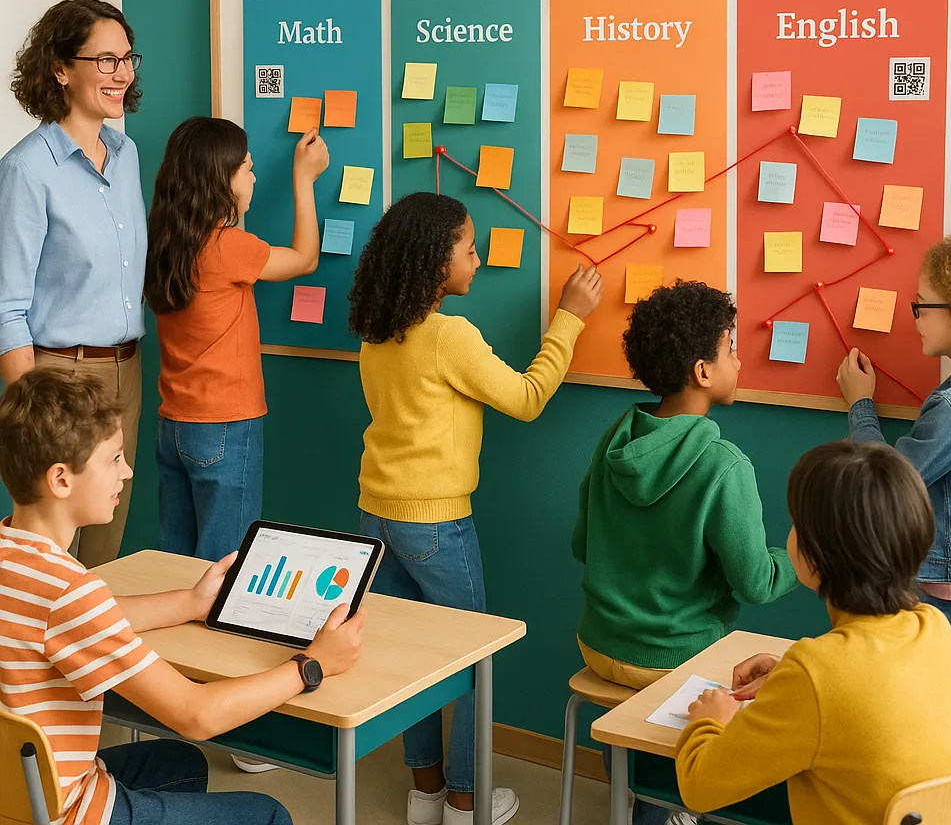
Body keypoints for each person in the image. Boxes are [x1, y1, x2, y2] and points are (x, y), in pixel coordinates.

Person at [0, 366, 366, 825]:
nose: (128, 471)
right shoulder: (71, 593)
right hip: (68, 812)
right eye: (113, 459)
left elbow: (86, 619)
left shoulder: (17, 560)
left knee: (179, 765)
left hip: (13, 794)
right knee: (267, 814)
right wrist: (312, 665)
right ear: (61, 480)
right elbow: (197, 715)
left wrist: (191, 602)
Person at [348, 192, 603, 825]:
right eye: (468, 248)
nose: (478, 256)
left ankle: (426, 790)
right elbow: (526, 397)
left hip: (376, 513)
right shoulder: (449, 336)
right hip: (434, 521)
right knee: (469, 658)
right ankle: (466, 799)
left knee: (412, 656)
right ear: (438, 264)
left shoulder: (378, 331)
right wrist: (567, 319)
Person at [572, 281, 796, 825]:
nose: (740, 361)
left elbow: (582, 544)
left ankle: (628, 778)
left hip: (600, 644)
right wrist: (798, 555)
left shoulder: (615, 441)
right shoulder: (725, 465)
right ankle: (667, 804)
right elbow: (758, 583)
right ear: (703, 371)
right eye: (730, 350)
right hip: (674, 659)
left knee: (633, 706)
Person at [675, 441, 951, 825]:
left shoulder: (815, 673)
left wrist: (709, 720)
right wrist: (788, 681)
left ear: (815, 556)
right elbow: (861, 690)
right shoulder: (932, 626)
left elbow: (699, 787)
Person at [0, 0, 148, 568]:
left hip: (126, 371)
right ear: (61, 69)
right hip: (57, 376)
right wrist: (32, 408)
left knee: (106, 545)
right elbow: (7, 307)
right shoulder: (27, 170)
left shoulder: (126, 153)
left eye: (127, 59)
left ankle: (97, 656)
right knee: (49, 554)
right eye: (105, 60)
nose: (121, 73)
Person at [837, 232, 951, 677]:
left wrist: (860, 405)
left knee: (939, 729)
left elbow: (882, 484)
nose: (914, 317)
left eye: (922, 305)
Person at [145, 116, 329, 563]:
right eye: (246, 168)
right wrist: (303, 179)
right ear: (220, 180)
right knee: (228, 565)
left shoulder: (166, 239)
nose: (254, 176)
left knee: (179, 562)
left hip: (174, 423)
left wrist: (237, 204)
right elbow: (304, 259)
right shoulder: (228, 247)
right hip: (225, 424)